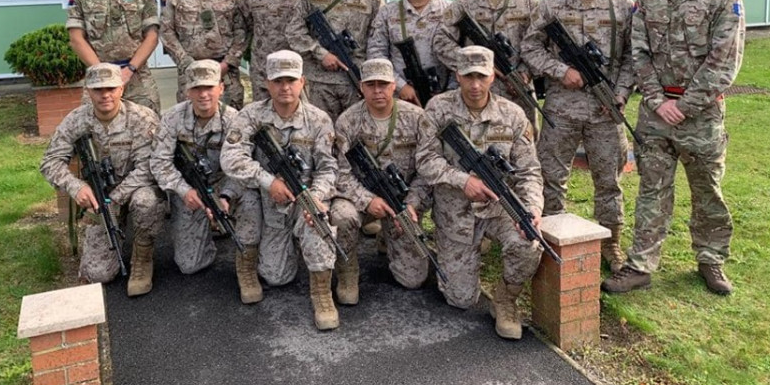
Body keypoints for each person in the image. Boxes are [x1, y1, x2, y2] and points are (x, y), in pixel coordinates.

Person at [602, 0, 746, 296]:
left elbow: (724, 61)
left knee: (707, 191)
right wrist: (656, 100)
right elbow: (639, 53)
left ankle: (711, 260)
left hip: (700, 114)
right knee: (652, 190)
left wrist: (683, 105)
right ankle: (641, 265)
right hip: (655, 114)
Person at [520, 0, 635, 273]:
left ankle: (611, 242)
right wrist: (561, 70)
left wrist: (622, 93)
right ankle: (554, 236)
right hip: (561, 108)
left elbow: (632, 58)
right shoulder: (551, 7)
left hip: (605, 109)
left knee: (609, 180)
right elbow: (530, 48)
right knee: (551, 177)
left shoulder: (622, 7)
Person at [415, 46, 544, 340]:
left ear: (492, 76)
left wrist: (533, 209)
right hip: (455, 210)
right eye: (469, 76)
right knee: (460, 299)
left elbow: (529, 172)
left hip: (498, 207)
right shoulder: (438, 108)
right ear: (458, 76)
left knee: (529, 242)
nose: (475, 85)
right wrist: (463, 181)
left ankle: (505, 299)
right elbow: (425, 160)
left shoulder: (512, 115)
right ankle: (462, 260)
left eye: (481, 77)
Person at [219, 50, 341, 330]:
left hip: (304, 195)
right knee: (276, 276)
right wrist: (267, 181)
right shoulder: (251, 115)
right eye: (278, 81)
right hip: (266, 201)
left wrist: (317, 196)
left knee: (318, 223)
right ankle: (254, 263)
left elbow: (329, 169)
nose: (285, 87)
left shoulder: (319, 120)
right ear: (267, 83)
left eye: (291, 80)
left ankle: (322, 294)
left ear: (302, 82)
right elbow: (231, 158)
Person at [40, 63, 164, 296]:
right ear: (88, 91)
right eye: (98, 89)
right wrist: (76, 187)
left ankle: (143, 256)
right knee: (99, 274)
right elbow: (50, 162)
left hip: (134, 189)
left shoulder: (142, 118)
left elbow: (150, 167)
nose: (105, 95)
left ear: (121, 89)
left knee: (148, 201)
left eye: (111, 88)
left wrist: (116, 198)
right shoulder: (77, 120)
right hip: (100, 197)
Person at [149, 60, 263, 302]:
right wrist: (183, 191)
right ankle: (206, 235)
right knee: (189, 265)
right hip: (189, 190)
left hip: (225, 182)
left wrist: (226, 196)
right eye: (197, 88)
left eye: (209, 87)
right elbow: (160, 163)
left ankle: (246, 262)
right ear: (187, 91)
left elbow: (243, 166)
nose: (204, 94)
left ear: (221, 88)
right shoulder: (172, 119)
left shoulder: (234, 120)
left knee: (251, 200)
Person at [329, 58, 431, 305]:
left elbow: (427, 169)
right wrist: (367, 200)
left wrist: (411, 204)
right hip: (360, 198)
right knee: (342, 216)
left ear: (394, 85)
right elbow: (339, 172)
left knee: (413, 279)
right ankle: (347, 268)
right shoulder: (348, 121)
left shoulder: (417, 118)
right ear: (361, 87)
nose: (378, 91)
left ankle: (389, 236)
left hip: (401, 201)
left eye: (383, 84)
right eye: (371, 85)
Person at [433, 0, 540, 130]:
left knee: (524, 144)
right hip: (475, 92)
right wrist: (471, 64)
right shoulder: (463, 5)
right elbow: (441, 42)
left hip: (517, 90)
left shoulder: (529, 2)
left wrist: (525, 72)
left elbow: (540, 43)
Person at [285, 0, 383, 123]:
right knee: (321, 132)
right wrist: (321, 53)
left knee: (357, 134)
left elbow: (379, 38)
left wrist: (370, 75)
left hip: (356, 80)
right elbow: (294, 31)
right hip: (320, 82)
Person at [66, 0, 161, 113]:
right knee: (94, 129)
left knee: (150, 126)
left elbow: (152, 36)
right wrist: (103, 73)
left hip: (136, 76)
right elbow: (76, 37)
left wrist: (130, 69)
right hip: (98, 76)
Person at [160, 0, 248, 108]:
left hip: (225, 73)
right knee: (191, 122)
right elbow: (166, 31)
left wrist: (228, 62)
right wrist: (186, 62)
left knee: (230, 121)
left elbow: (242, 30)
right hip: (190, 72)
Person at [367, 0, 450, 106]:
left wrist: (450, 94)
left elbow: (459, 56)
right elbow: (376, 55)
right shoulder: (387, 13)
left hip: (443, 99)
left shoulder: (449, 11)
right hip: (401, 100)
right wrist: (400, 85)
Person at [240, 0, 306, 101]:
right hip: (262, 68)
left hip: (292, 68)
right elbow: (245, 25)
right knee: (262, 116)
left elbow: (308, 29)